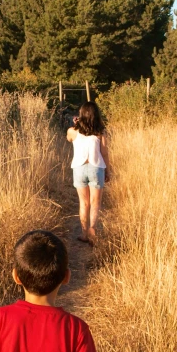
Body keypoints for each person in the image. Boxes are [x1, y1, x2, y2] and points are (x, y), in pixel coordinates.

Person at [67, 101, 109, 245]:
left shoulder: (72, 131)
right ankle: (93, 229)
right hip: (96, 167)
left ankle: (84, 234)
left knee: (83, 203)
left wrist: (76, 124)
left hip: (79, 168)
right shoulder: (100, 132)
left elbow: (69, 139)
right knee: (95, 202)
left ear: (80, 114)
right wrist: (107, 170)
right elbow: (105, 153)